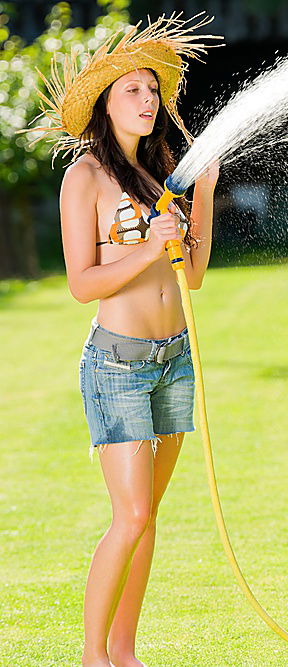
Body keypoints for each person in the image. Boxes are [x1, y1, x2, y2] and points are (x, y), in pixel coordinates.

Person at [23, 13, 222, 667]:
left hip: (174, 358)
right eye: (130, 90)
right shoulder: (84, 179)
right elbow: (83, 282)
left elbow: (190, 273)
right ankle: (92, 656)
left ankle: (125, 652)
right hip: (119, 364)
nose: (145, 100)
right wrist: (149, 249)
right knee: (131, 513)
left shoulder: (161, 172)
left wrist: (206, 198)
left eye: (151, 90)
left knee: (150, 516)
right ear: (105, 105)